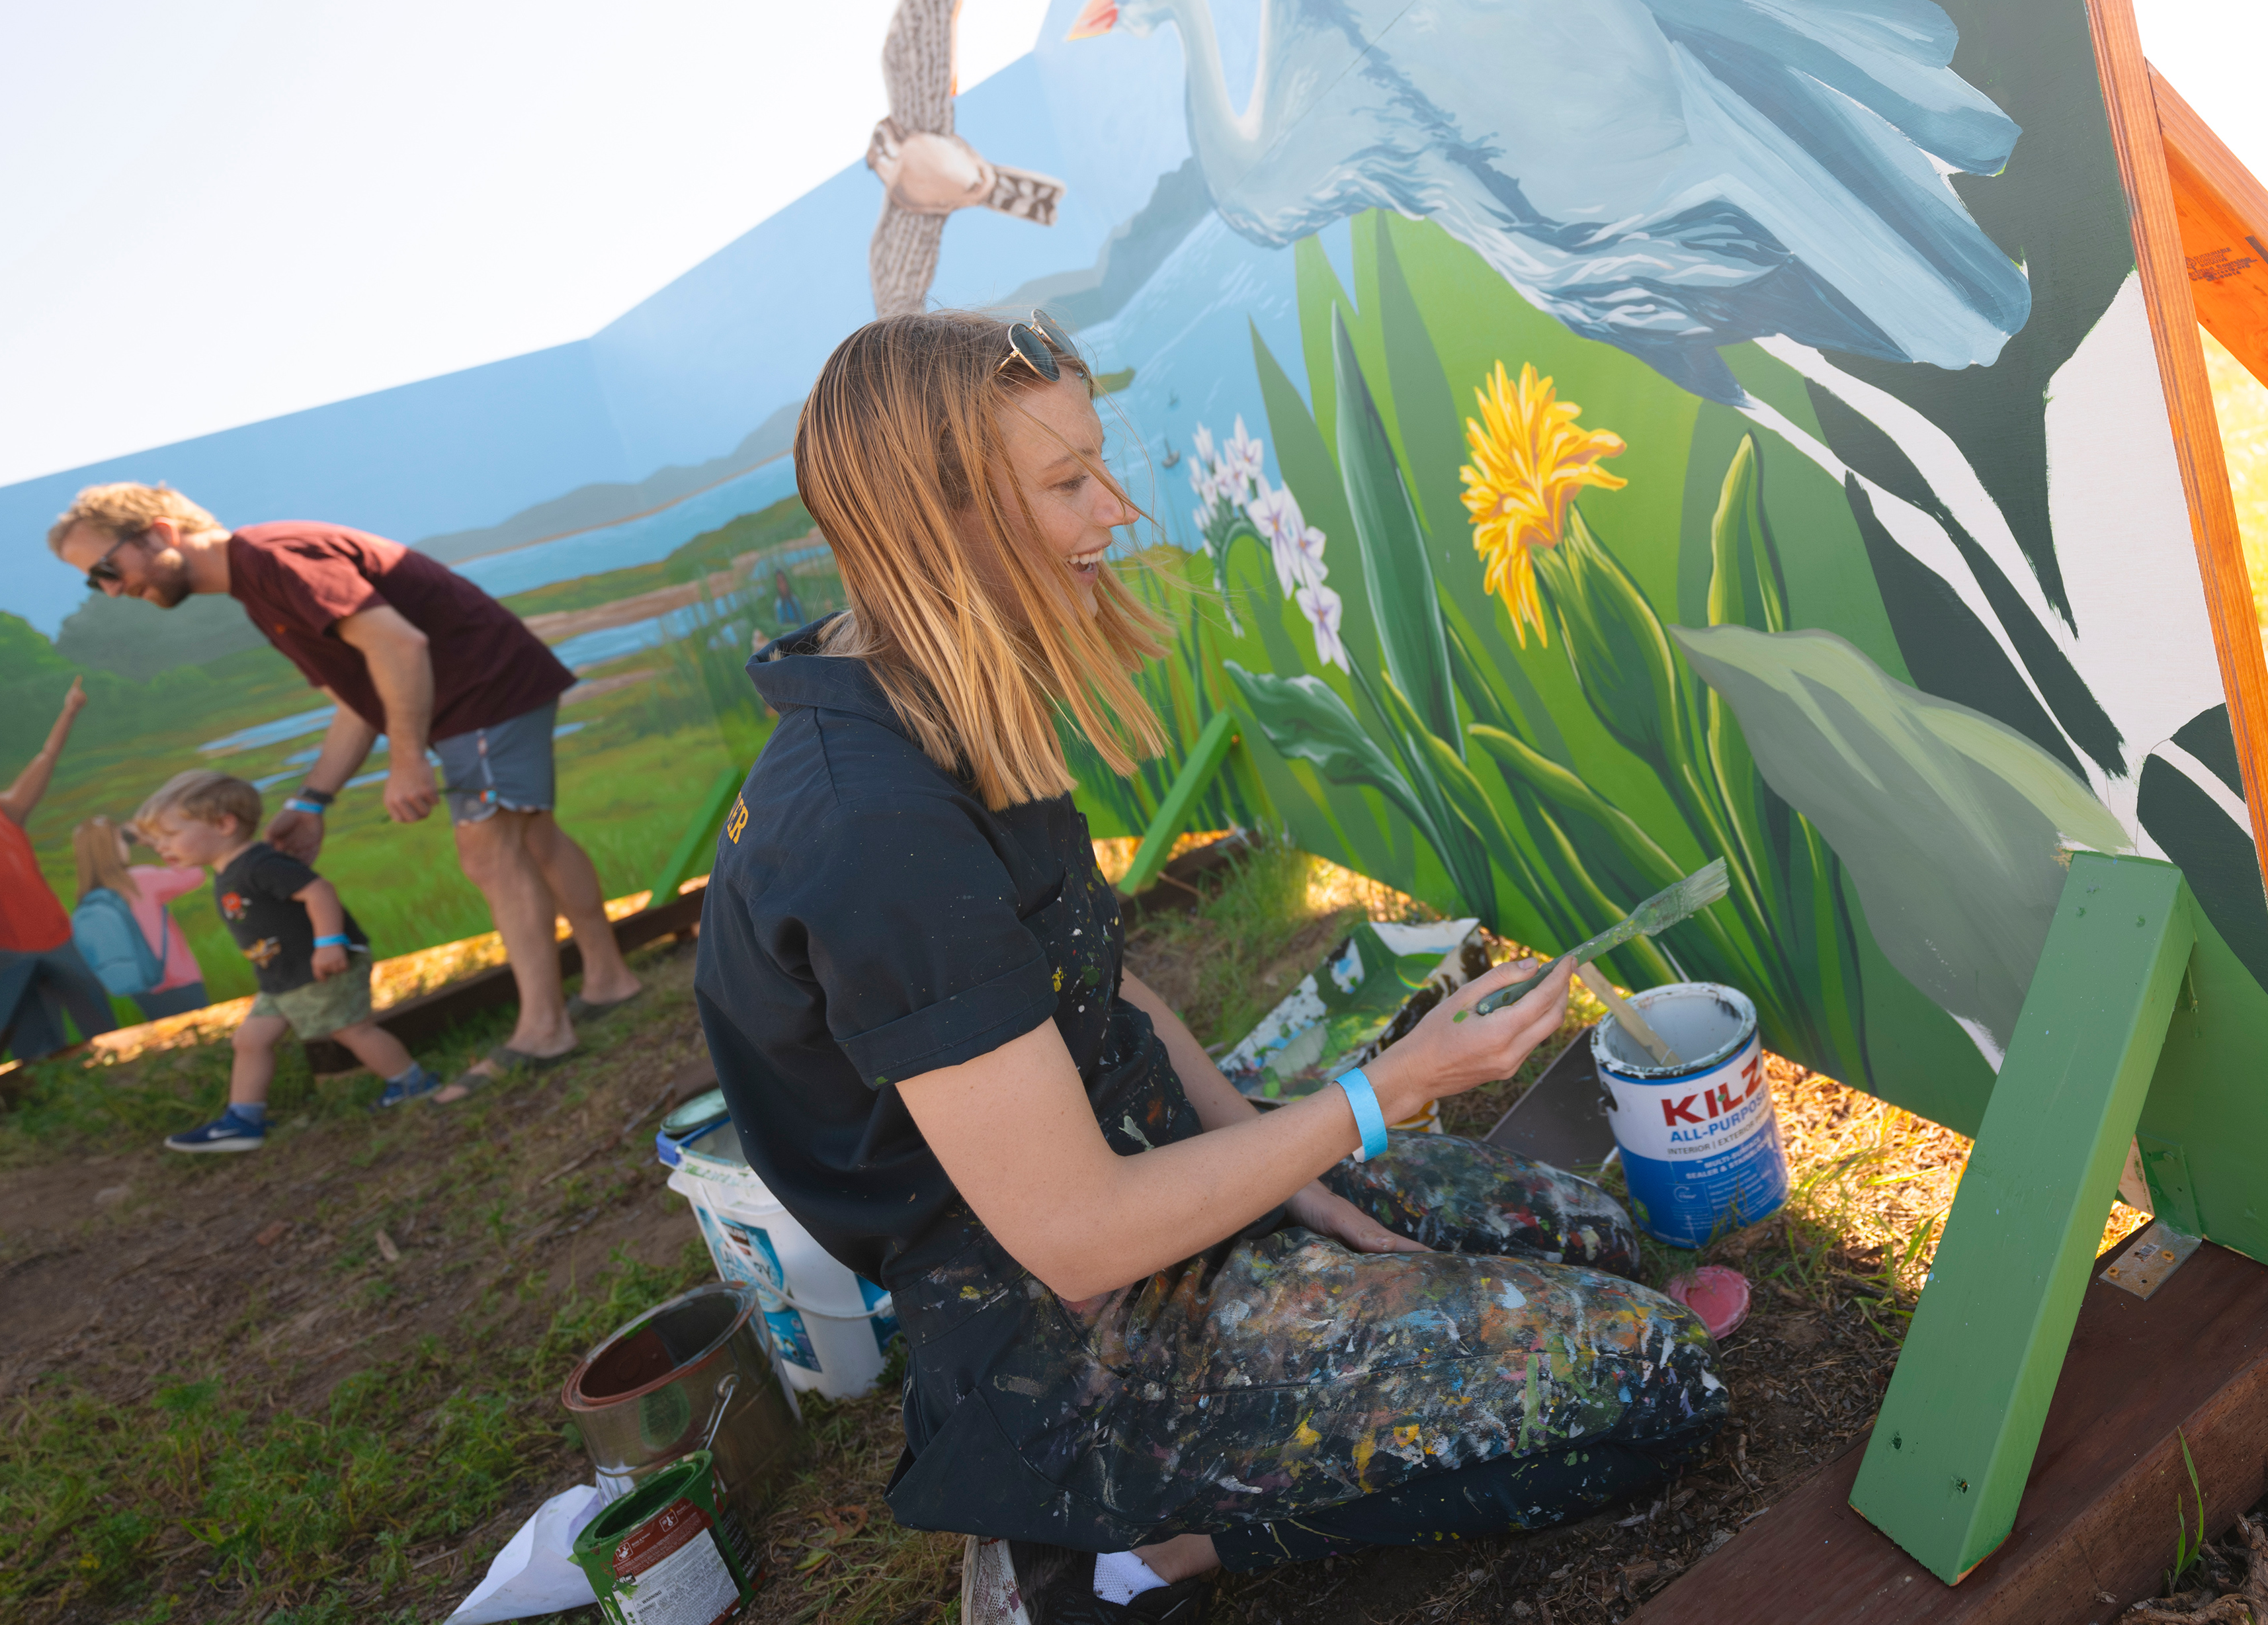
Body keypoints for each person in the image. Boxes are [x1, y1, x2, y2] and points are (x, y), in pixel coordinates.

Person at [694, 312, 1722, 1623]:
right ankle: (1130, 1548)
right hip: (1058, 1324)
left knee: (1596, 1237)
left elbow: (1100, 988)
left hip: (1149, 1153)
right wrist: (1378, 1095)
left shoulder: (948, 691)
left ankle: (1244, 1367)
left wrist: (1283, 1179)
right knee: (1663, 1387)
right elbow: (1073, 1241)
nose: (1116, 510)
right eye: (1068, 483)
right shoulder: (872, 829)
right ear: (942, 520)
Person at [46, 483, 644, 1103]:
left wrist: (408, 758)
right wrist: (312, 801)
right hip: (484, 695)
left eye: (106, 570)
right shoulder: (256, 585)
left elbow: (399, 645)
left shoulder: (273, 558)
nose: (112, 590)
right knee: (534, 837)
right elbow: (357, 704)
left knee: (490, 854)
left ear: (161, 531)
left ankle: (545, 1028)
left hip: (482, 695)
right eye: (97, 583)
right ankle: (607, 979)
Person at [135, 771, 437, 1149]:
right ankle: (243, 1120)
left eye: (171, 835)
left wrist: (329, 943)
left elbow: (318, 891)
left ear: (225, 824)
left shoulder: (258, 864)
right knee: (249, 1040)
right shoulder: (229, 870)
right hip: (282, 978)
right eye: (156, 840)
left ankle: (412, 1083)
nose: (161, 847)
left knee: (350, 1029)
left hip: (318, 968)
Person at [0, 677, 117, 1066]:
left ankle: (121, 1086)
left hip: (56, 940)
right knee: (36, 1050)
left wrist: (70, 710)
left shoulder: (2, 810)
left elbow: (46, 757)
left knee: (102, 1033)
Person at [70, 814, 213, 1022]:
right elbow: (195, 875)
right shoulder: (142, 879)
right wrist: (157, 842)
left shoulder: (89, 898)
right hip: (178, 979)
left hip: (139, 986)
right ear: (113, 848)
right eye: (121, 840)